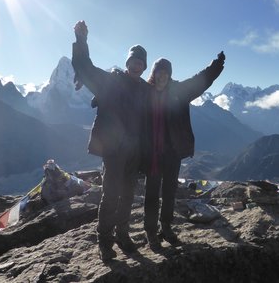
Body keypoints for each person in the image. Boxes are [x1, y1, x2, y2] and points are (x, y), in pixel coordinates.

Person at [71, 20, 150, 262]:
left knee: (127, 195)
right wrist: (82, 40)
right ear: (127, 63)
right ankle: (104, 241)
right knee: (111, 194)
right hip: (114, 150)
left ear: (144, 67)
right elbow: (84, 67)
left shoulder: (146, 90)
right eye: (134, 61)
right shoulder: (110, 82)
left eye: (141, 62)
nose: (137, 65)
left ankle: (122, 235)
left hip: (134, 151)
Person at [143, 52, 225, 250]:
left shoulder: (179, 91)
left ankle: (166, 226)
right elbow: (121, 91)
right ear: (153, 74)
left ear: (170, 75)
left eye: (166, 73)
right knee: (152, 193)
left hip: (172, 151)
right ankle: (150, 231)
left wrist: (216, 65)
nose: (162, 76)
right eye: (159, 72)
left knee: (169, 191)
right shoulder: (143, 92)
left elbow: (201, 80)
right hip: (151, 153)